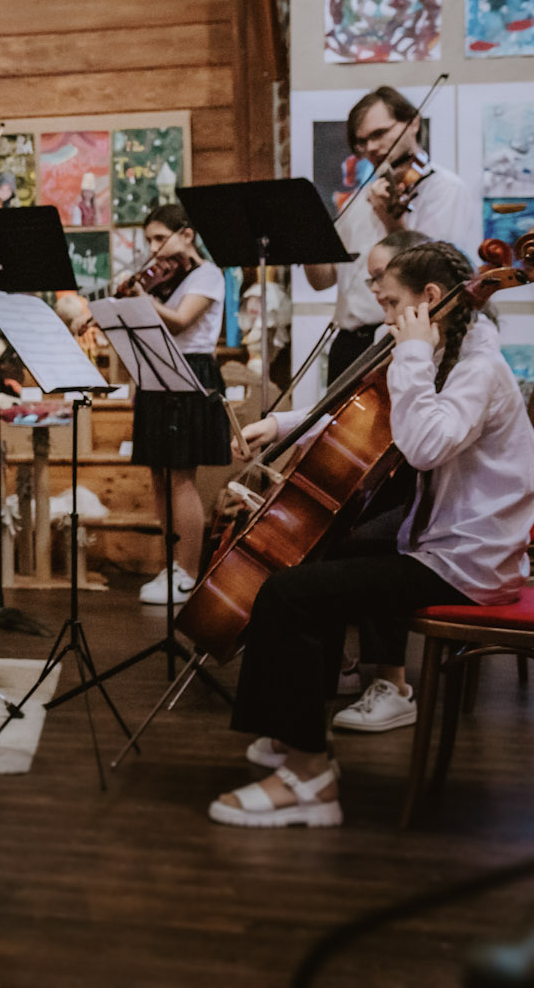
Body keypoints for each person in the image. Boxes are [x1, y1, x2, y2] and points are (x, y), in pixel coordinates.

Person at [212, 241, 533, 829]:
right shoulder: (450, 351)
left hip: (469, 563)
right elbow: (371, 415)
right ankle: (293, 736)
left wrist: (411, 353)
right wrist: (280, 425)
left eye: (390, 304)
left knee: (288, 595)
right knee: (312, 558)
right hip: (445, 545)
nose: (384, 319)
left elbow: (425, 444)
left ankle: (310, 781)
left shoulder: (477, 368)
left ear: (429, 298)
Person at [72, 203, 231, 605]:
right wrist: (102, 313)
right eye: (149, 240)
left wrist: (140, 299)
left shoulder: (208, 275)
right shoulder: (162, 279)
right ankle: (170, 565)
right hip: (155, 370)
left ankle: (188, 571)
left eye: (161, 238)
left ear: (187, 235)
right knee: (159, 475)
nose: (154, 249)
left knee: (180, 476)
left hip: (190, 372)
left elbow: (180, 319)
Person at [303, 86, 479, 380]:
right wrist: (306, 240)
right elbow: (324, 280)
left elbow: (437, 275)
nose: (371, 147)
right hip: (348, 343)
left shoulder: (445, 190)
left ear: (413, 123)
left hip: (398, 340)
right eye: (361, 141)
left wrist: (391, 222)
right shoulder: (362, 196)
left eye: (379, 133)